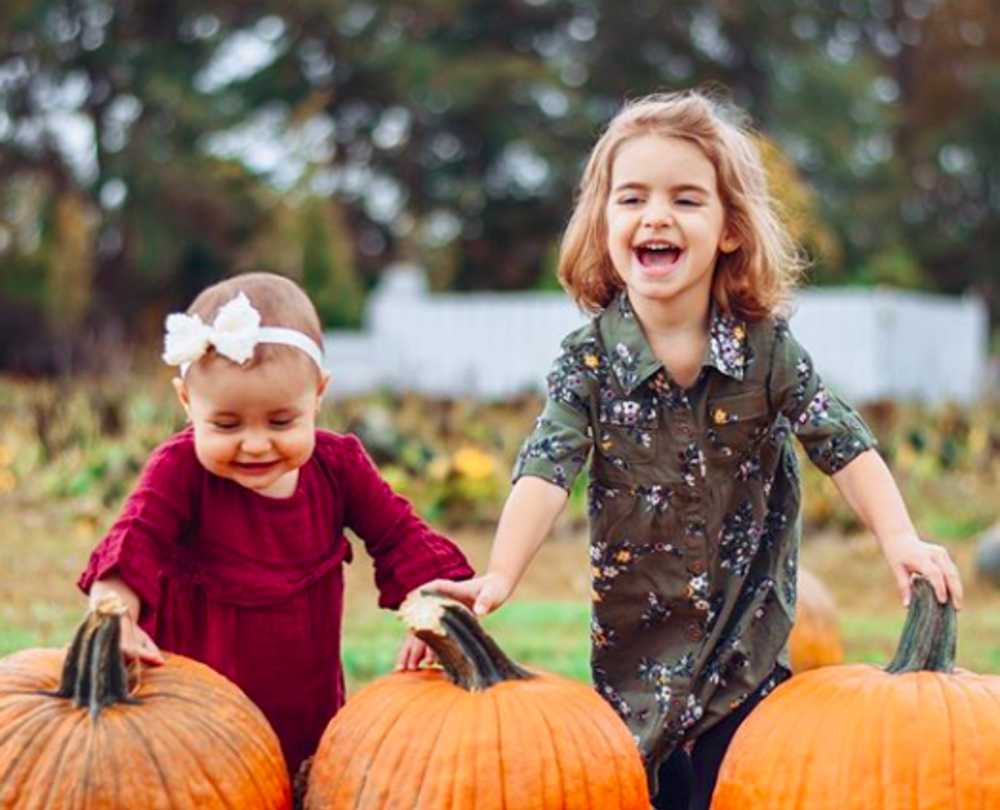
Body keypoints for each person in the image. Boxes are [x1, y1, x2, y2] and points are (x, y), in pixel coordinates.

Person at [423, 90, 964, 810]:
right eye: (632, 198)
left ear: (730, 229)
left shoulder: (766, 352)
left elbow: (842, 442)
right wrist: (500, 574)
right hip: (636, 645)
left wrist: (899, 537)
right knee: (643, 794)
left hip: (748, 642)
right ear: (604, 222)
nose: (655, 216)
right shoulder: (588, 362)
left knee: (737, 790)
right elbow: (547, 466)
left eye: (685, 199)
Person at [78, 272, 473, 775]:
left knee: (300, 781)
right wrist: (114, 612)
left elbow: (399, 535)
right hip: (194, 721)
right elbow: (136, 535)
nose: (256, 443)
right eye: (226, 424)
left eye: (281, 422)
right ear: (186, 403)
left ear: (318, 395)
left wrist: (433, 603)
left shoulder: (339, 467)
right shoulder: (181, 469)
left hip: (304, 714)